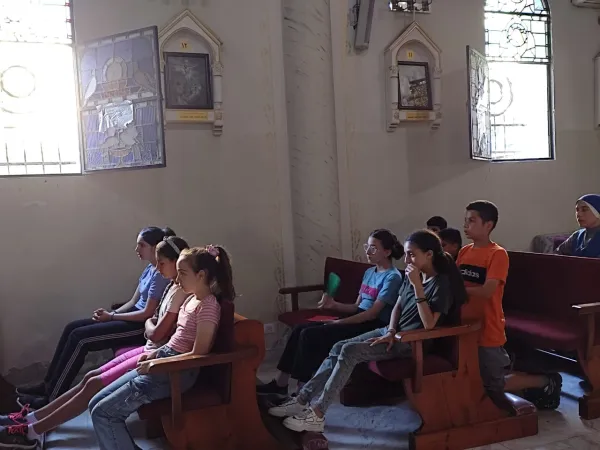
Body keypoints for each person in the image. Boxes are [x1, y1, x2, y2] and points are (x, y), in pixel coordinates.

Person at [0, 236, 190, 449]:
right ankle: (32, 419)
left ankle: (32, 432)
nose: (158, 268)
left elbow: (156, 330)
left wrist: (147, 322)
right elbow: (150, 317)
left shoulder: (182, 291)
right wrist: (123, 316)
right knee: (90, 374)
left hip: (155, 353)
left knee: (92, 383)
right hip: (149, 347)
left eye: (162, 263)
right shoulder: (172, 285)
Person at [269, 230, 467, 433]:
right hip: (392, 333)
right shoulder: (412, 273)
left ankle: (318, 414)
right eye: (406, 254)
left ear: (429, 254)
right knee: (339, 346)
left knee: (349, 351)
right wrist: (390, 330)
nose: (407, 259)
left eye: (412, 254)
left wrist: (418, 287)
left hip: (411, 342)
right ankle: (302, 400)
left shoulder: (441, 284)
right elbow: (398, 306)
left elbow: (429, 324)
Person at [88, 245, 235, 450]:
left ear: (201, 275)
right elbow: (177, 339)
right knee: (95, 403)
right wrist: (155, 354)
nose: (178, 278)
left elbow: (198, 354)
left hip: (176, 372)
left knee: (103, 413)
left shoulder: (208, 306)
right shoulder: (192, 299)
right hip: (164, 362)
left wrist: (158, 362)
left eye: (183, 273)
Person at [17, 227, 175, 409]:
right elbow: (133, 301)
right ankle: (46, 385)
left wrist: (113, 316)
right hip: (130, 319)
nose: (136, 249)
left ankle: (51, 398)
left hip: (139, 328)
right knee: (72, 328)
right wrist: (108, 316)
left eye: (141, 245)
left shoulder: (160, 275)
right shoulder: (149, 269)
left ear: (156, 248)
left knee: (81, 339)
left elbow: (147, 313)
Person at [257, 229, 404, 396]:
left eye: (373, 248)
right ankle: (281, 383)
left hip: (371, 324)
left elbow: (372, 314)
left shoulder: (393, 277)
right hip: (357, 317)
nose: (367, 252)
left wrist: (339, 322)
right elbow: (356, 306)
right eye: (367, 247)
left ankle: (302, 389)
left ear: (387, 251)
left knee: (310, 335)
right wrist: (333, 305)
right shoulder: (369, 272)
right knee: (299, 329)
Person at [459, 200, 561, 411]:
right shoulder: (464, 252)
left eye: (472, 221)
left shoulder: (497, 254)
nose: (466, 225)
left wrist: (459, 291)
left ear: (488, 225)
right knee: (476, 377)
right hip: (466, 325)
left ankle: (544, 381)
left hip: (489, 326)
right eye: (465, 220)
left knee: (495, 383)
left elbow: (488, 291)